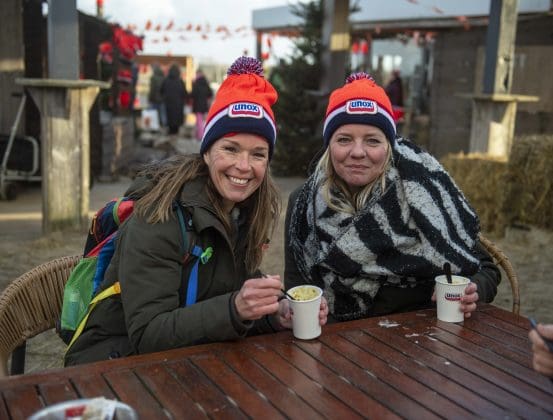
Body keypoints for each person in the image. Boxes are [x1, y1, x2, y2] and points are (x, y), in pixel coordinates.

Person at [64, 56, 328, 366]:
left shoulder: (243, 211)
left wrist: (276, 312)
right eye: (230, 149)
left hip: (187, 362)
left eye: (258, 154)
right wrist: (235, 308)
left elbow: (223, 298)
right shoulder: (159, 216)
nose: (244, 166)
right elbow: (148, 335)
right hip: (111, 368)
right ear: (206, 152)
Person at [285, 72, 501, 323]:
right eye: (344, 139)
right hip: (338, 336)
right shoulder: (304, 202)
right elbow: (296, 285)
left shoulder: (423, 190)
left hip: (424, 333)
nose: (358, 152)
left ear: (389, 146)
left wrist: (474, 290)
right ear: (329, 145)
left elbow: (486, 269)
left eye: (372, 141)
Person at [161, 63, 188, 135]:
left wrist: (165, 97)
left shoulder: (166, 80)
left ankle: (171, 132)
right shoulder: (180, 81)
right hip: (178, 104)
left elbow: (161, 90)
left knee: (170, 119)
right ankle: (176, 133)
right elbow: (185, 93)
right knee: (177, 119)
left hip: (168, 103)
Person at [191, 69, 213, 141]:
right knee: (203, 121)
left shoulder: (196, 83)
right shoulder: (206, 83)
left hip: (197, 105)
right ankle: (200, 135)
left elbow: (192, 94)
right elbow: (210, 94)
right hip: (205, 106)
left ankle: (200, 136)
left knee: (199, 121)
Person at [148, 63, 167, 128]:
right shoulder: (164, 77)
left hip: (154, 99)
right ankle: (164, 126)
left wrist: (150, 98)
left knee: (153, 114)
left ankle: (154, 126)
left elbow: (152, 89)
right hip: (162, 99)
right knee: (162, 114)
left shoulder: (153, 77)